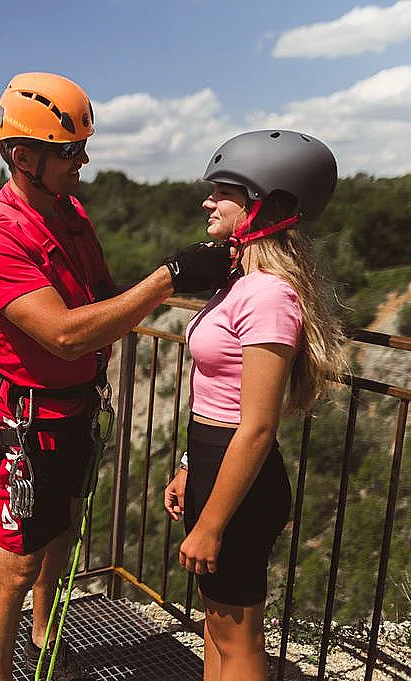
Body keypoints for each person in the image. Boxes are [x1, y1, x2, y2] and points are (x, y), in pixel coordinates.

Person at [0, 72, 233, 681]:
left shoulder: (70, 212)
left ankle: (41, 635)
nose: (81, 160)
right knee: (17, 562)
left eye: (82, 147)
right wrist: (167, 278)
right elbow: (64, 332)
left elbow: (101, 297)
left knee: (58, 532)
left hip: (74, 406)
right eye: (67, 152)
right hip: (25, 420)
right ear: (21, 155)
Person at [163, 130, 347, 681]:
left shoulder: (269, 296)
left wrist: (212, 524)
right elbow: (217, 395)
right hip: (215, 467)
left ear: (261, 204)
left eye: (222, 191)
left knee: (239, 639)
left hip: (239, 485)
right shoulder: (238, 282)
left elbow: (259, 427)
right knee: (217, 626)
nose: (207, 200)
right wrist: (190, 468)